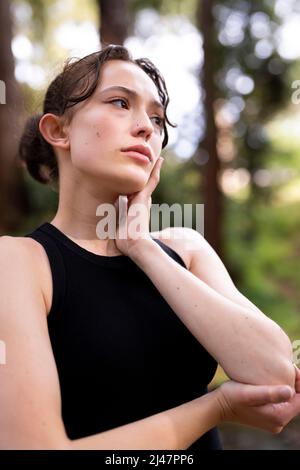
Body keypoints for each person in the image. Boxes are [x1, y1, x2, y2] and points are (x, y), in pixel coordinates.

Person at [0, 44, 299, 450]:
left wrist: (141, 247)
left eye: (156, 119)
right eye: (120, 102)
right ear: (58, 131)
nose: (145, 127)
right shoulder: (19, 263)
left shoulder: (184, 249)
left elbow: (278, 376)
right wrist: (216, 408)